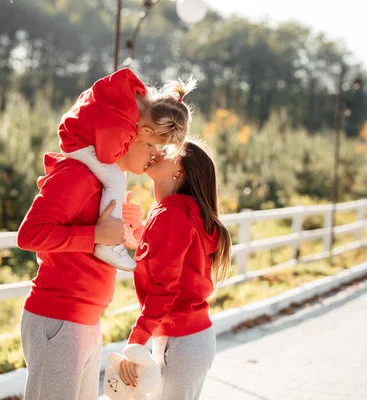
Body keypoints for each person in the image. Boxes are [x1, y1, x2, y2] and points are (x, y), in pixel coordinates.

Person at [16, 138, 160, 400]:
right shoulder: (78, 175)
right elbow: (29, 234)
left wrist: (131, 228)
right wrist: (96, 233)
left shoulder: (110, 187)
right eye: (151, 142)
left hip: (87, 321)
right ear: (129, 136)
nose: (156, 151)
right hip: (59, 317)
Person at [119, 140, 232, 399]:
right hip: (186, 338)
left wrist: (136, 342)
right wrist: (140, 231)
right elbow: (169, 260)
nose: (157, 151)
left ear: (180, 171)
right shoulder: (179, 211)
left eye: (168, 151)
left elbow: (164, 288)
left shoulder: (173, 215)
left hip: (181, 341)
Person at [59, 68, 195, 271]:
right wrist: (127, 139)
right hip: (77, 143)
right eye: (149, 143)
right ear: (147, 130)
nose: (155, 153)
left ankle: (114, 236)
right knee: (116, 180)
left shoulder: (134, 96)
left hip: (76, 131)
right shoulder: (122, 126)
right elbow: (106, 156)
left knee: (116, 177)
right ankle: (108, 244)